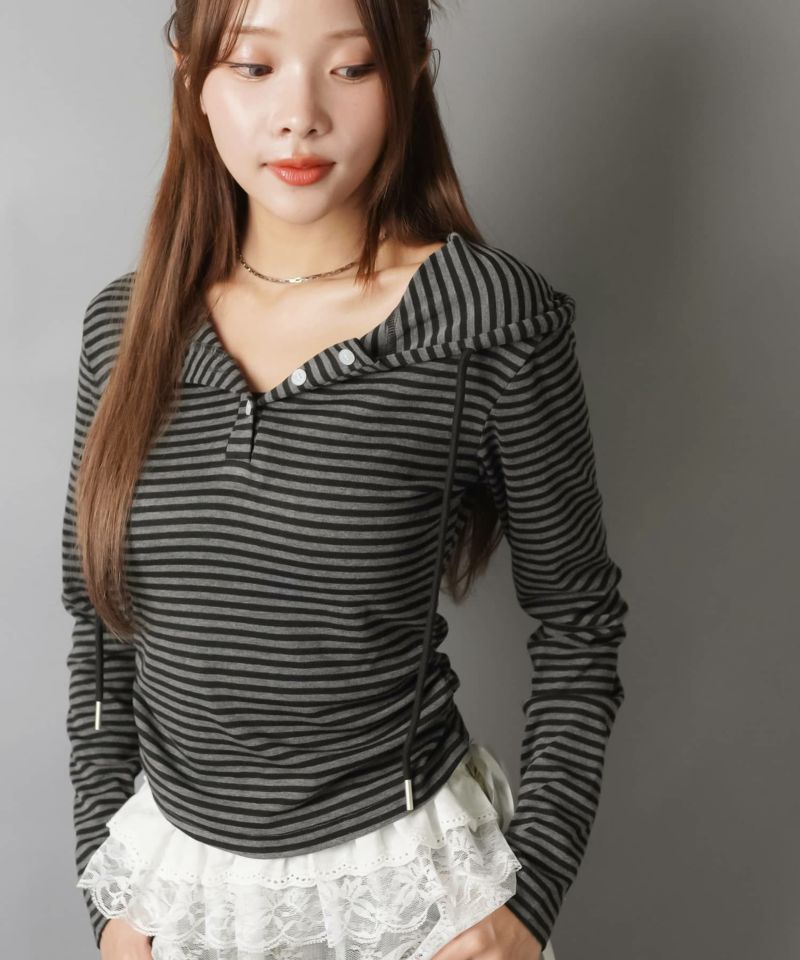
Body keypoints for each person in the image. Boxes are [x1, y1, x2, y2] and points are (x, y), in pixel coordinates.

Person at [61, 1, 629, 958]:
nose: (300, 117)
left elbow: (580, 623)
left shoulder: (487, 319)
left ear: (410, 74)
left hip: (408, 895)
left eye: (351, 68)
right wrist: (106, 892)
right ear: (191, 76)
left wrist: (528, 903)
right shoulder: (125, 329)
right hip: (177, 900)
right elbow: (100, 629)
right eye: (254, 68)